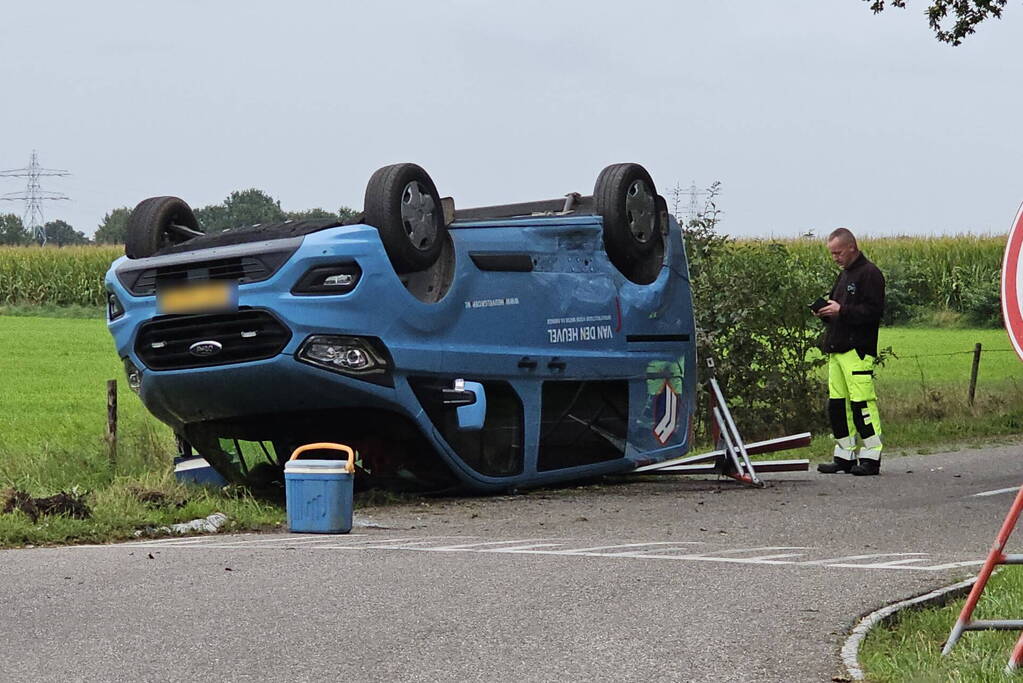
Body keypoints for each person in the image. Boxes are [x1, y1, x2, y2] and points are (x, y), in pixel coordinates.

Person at [814, 228, 886, 476]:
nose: (835, 257)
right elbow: (838, 308)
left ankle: (870, 456)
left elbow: (873, 312)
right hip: (837, 348)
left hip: (858, 349)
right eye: (832, 253)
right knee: (837, 405)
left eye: (838, 252)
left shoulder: (870, 274)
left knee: (861, 404)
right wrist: (826, 312)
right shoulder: (844, 276)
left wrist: (841, 311)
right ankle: (844, 454)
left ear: (852, 247)